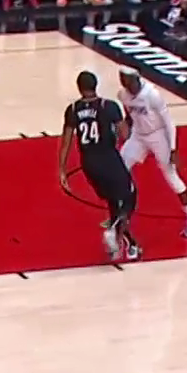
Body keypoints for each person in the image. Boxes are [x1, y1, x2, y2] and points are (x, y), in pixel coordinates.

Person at [59, 70, 142, 261]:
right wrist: (129, 119)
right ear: (96, 85)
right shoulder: (109, 106)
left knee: (113, 201)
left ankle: (128, 246)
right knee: (130, 196)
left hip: (89, 163)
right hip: (108, 158)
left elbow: (66, 142)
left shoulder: (72, 109)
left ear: (79, 88)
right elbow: (125, 135)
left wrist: (62, 170)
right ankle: (113, 230)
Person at [117, 68, 187, 236]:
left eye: (127, 80)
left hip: (158, 135)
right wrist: (125, 132)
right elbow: (129, 115)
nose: (125, 84)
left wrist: (173, 149)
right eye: (122, 80)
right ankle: (120, 214)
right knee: (119, 169)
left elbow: (169, 123)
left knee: (171, 177)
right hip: (138, 136)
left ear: (136, 79)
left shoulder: (152, 95)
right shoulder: (122, 94)